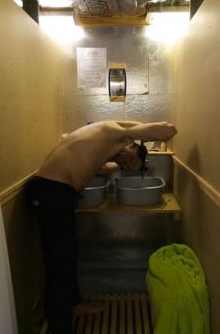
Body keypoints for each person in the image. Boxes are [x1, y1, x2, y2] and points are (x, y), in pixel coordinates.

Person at [28, 120, 177, 334]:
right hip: (51, 194)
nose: (125, 167)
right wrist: (141, 134)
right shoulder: (113, 132)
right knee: (59, 264)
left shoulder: (100, 138)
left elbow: (100, 169)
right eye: (130, 161)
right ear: (131, 145)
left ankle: (74, 305)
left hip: (53, 193)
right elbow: (169, 130)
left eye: (128, 167)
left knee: (67, 255)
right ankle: (59, 328)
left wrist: (122, 162)